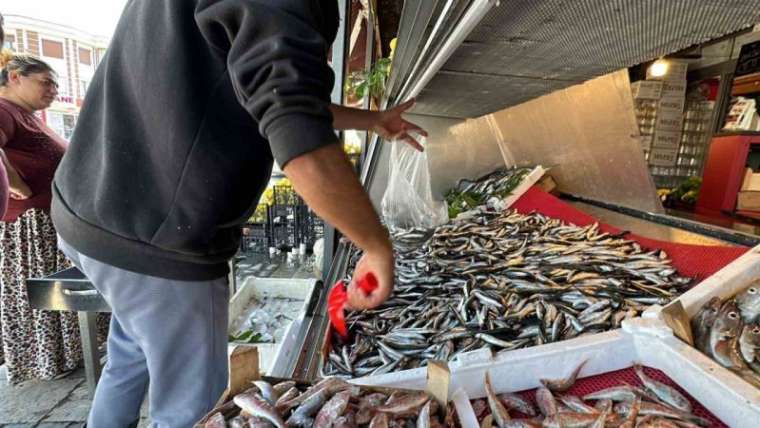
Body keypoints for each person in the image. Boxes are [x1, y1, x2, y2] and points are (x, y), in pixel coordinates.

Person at [52, 1, 425, 427]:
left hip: (93, 214)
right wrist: (374, 246)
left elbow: (266, 93)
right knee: (192, 411)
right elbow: (296, 126)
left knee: (129, 358)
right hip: (163, 243)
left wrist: (370, 120)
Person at [0, 52, 85, 383]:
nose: (53, 89)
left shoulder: (25, 114)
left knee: (58, 292)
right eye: (46, 82)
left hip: (47, 217)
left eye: (55, 84)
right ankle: (44, 362)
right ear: (15, 77)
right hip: (28, 225)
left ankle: (62, 356)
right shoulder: (5, 109)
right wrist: (14, 182)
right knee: (41, 292)